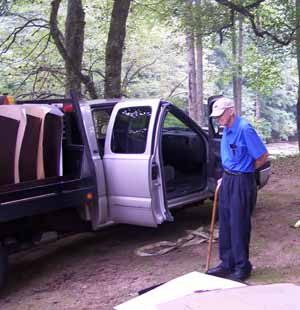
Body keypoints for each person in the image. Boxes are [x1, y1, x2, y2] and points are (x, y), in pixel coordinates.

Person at [206, 97, 269, 281]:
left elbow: (262, 155)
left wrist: (245, 171)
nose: (218, 119)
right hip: (228, 179)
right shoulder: (226, 128)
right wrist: (225, 177)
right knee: (225, 224)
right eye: (216, 116)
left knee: (239, 225)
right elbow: (229, 157)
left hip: (242, 182)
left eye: (220, 115)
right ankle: (227, 264)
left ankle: (243, 267)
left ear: (231, 111)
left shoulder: (244, 129)